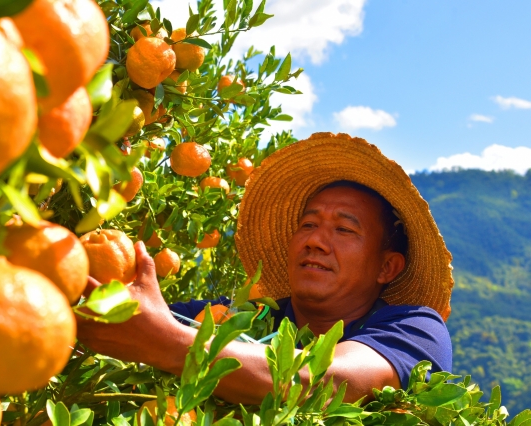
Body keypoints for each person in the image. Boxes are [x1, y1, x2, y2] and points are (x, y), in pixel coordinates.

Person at [76, 132, 454, 405]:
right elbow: (134, 321)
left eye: (343, 229)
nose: (315, 241)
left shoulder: (414, 330)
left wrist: (169, 344)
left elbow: (324, 382)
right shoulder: (234, 317)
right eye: (307, 225)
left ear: (387, 266)